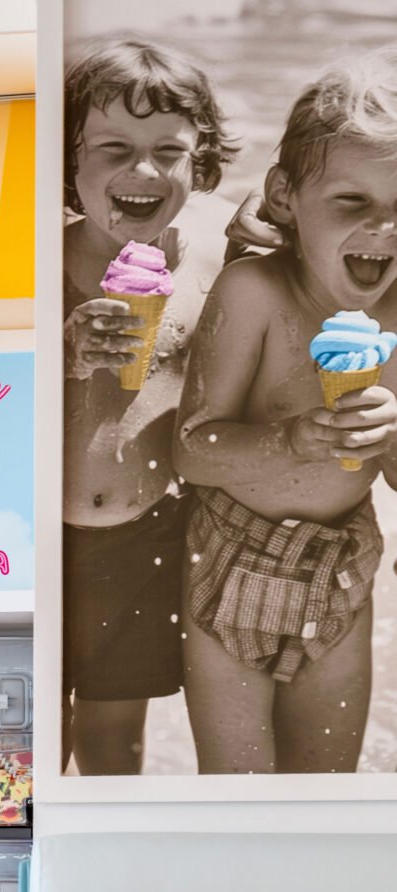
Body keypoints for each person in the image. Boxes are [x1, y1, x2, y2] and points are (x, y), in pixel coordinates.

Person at [175, 52, 397, 773]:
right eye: (352, 203)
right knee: (237, 797)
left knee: (323, 795)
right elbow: (193, 449)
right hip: (231, 564)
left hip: (340, 569)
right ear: (284, 197)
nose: (382, 231)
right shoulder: (253, 295)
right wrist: (295, 437)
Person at [62, 40, 235, 773]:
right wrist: (58, 346)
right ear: (69, 166)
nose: (143, 171)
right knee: (40, 734)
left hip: (144, 535)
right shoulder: (42, 266)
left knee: (113, 739)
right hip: (44, 539)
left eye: (170, 151)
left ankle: (112, 878)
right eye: (113, 149)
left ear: (199, 165)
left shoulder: (214, 260)